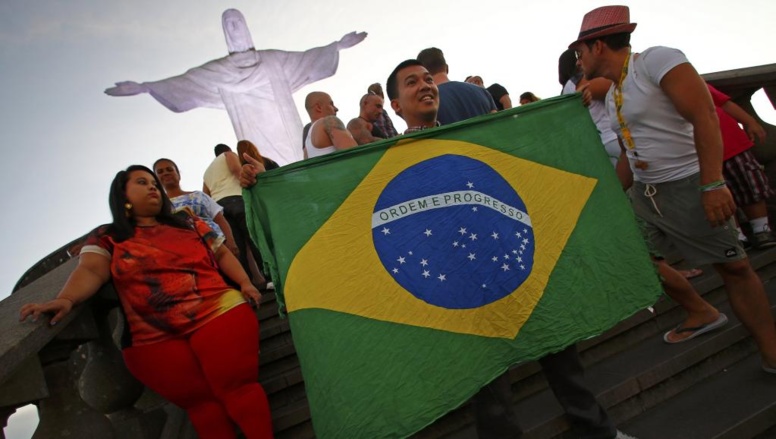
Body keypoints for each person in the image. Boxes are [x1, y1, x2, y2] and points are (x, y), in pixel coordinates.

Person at [384, 59, 635, 439]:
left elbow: (528, 155)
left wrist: (564, 115)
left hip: (513, 264)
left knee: (561, 352)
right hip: (462, 287)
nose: (424, 85)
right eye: (410, 82)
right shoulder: (386, 165)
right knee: (490, 389)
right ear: (396, 106)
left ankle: (599, 431)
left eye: (425, 78)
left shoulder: (471, 138)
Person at [570, 5, 776, 371]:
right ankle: (702, 311)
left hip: (688, 186)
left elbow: (705, 114)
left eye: (579, 52)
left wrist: (713, 183)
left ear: (598, 46)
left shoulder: (657, 61)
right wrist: (610, 199)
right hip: (646, 195)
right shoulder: (616, 88)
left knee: (734, 270)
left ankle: (771, 351)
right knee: (632, 255)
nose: (578, 60)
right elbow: (630, 155)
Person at [19, 165, 273, 439]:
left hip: (219, 311)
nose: (153, 187)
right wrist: (66, 299)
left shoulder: (187, 221)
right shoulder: (107, 236)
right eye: (142, 182)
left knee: (239, 389)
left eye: (153, 183)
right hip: (151, 339)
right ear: (123, 196)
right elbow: (91, 270)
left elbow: (221, 255)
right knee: (201, 406)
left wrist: (246, 283)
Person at [104, 8, 366, 166]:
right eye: (230, 25)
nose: (235, 28)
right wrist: (146, 87)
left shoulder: (273, 61)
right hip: (255, 140)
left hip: (288, 134)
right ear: (226, 34)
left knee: (298, 161)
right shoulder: (220, 72)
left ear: (246, 28)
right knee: (265, 164)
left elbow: (307, 59)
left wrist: (337, 46)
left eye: (238, 23)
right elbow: (186, 82)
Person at [707, 83, 775, 249]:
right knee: (721, 198)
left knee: (751, 187)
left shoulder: (692, 81)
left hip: (734, 145)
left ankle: (762, 229)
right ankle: (736, 235)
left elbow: (724, 102)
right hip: (702, 156)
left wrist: (749, 121)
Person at [204, 144, 268, 288]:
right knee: (253, 237)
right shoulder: (228, 155)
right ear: (227, 150)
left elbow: (206, 195)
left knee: (237, 246)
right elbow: (235, 169)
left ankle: (248, 284)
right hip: (236, 199)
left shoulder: (207, 173)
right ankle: (269, 278)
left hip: (219, 208)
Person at [154, 158, 240, 256]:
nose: (165, 173)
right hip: (187, 253)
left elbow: (219, 219)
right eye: (160, 172)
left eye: (169, 169)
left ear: (178, 174)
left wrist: (230, 241)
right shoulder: (158, 206)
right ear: (156, 180)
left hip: (219, 247)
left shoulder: (199, 195)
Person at [416, 47, 496, 125]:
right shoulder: (483, 92)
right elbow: (498, 125)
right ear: (447, 68)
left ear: (423, 73)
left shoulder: (426, 102)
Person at [302, 91, 357, 159]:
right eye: (331, 104)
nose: (336, 109)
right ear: (318, 107)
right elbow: (354, 154)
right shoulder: (329, 121)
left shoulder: (307, 142)